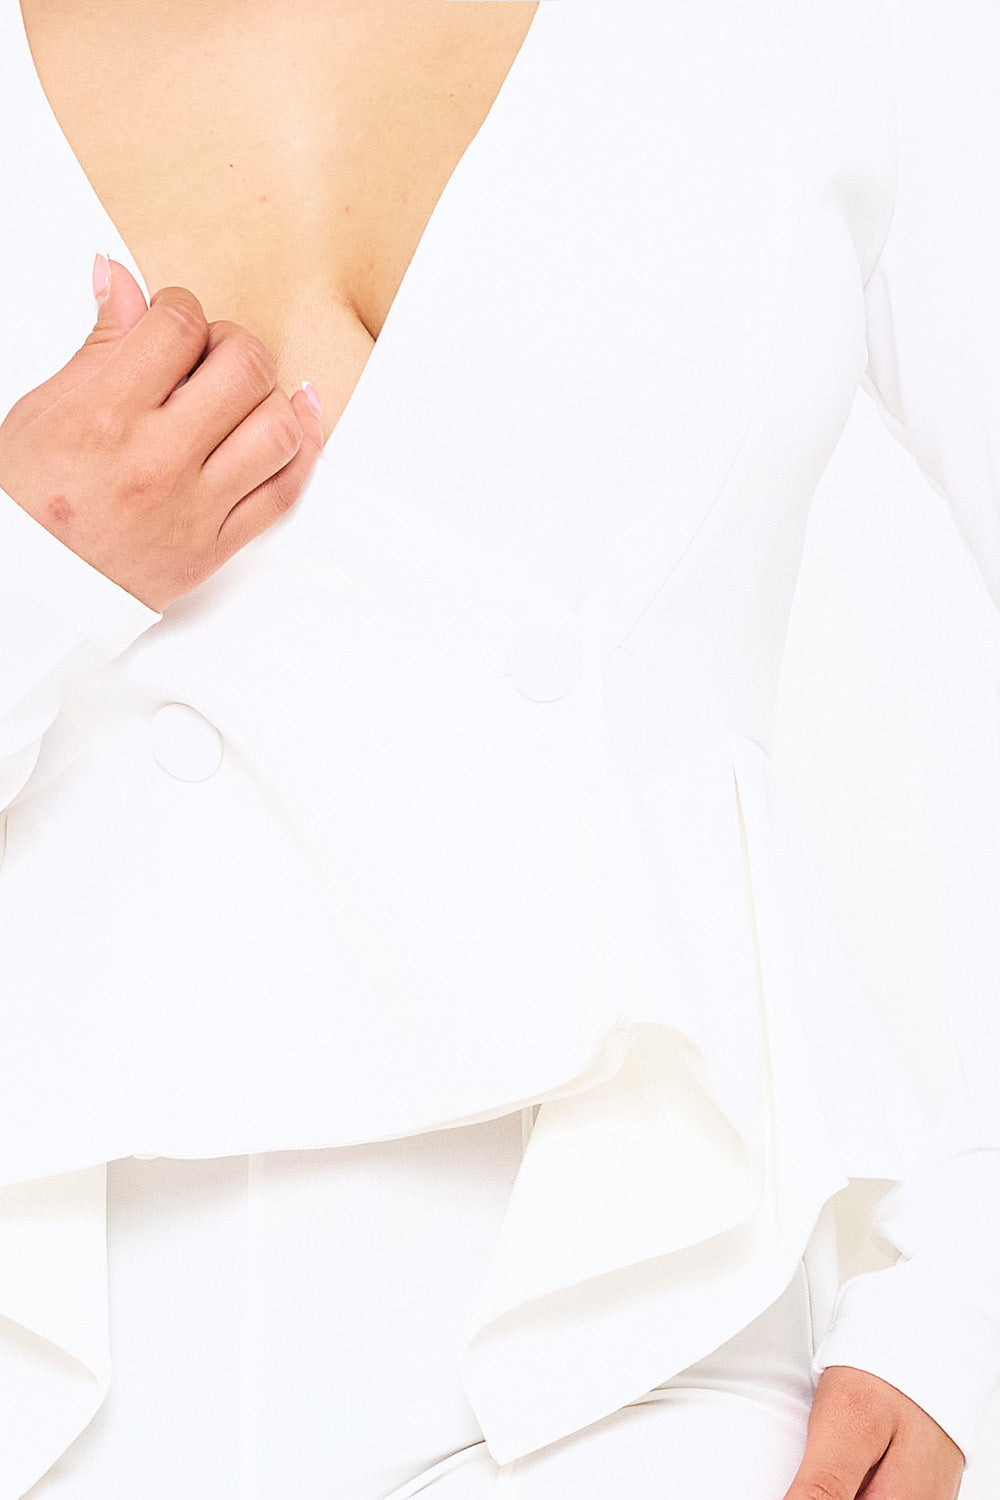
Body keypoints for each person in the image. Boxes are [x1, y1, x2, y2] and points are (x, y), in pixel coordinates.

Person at [0, 0, 996, 1496]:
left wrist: (964, 1295)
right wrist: (22, 567)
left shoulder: (850, 28)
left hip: (639, 1334)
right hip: (38, 1363)